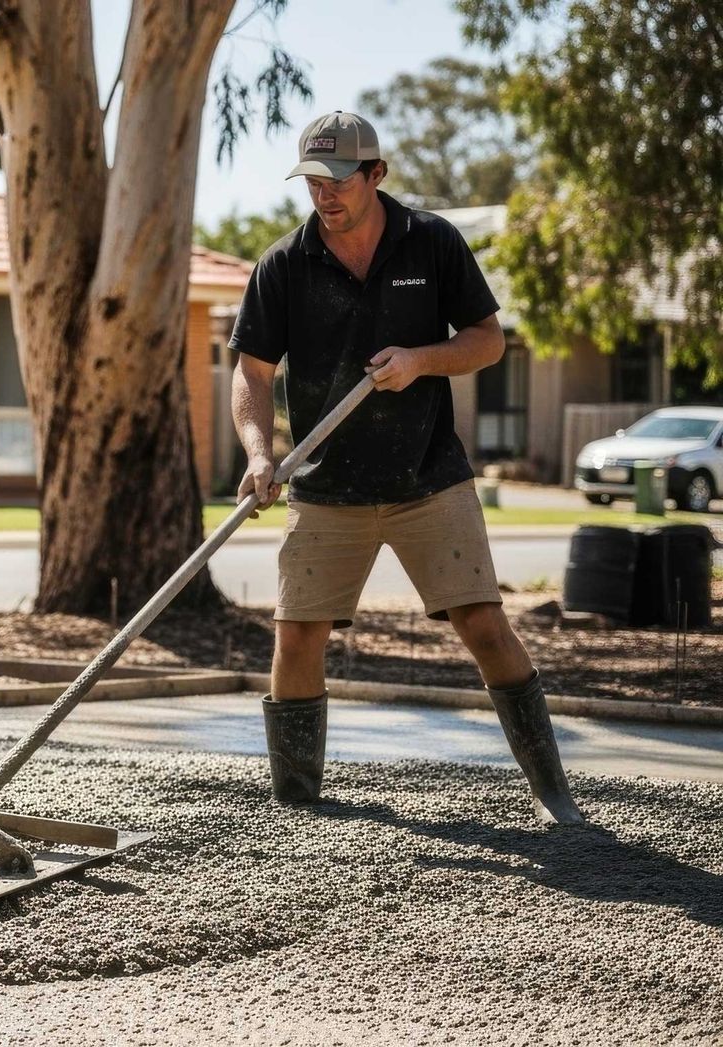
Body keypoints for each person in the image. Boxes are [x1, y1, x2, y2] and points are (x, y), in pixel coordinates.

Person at [228, 110, 582, 824]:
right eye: (312, 181)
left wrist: (420, 360)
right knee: (297, 632)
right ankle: (297, 800)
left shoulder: (433, 243)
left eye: (338, 179)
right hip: (326, 484)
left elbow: (487, 342)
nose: (324, 195)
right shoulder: (284, 264)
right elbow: (253, 372)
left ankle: (551, 790)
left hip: (429, 477)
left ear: (376, 174)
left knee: (483, 622)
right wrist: (260, 453)